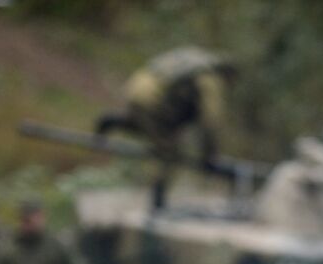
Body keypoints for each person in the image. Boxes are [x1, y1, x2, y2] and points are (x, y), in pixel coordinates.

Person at [94, 47, 234, 206]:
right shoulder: (210, 79)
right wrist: (210, 157)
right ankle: (157, 205)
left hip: (137, 87)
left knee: (147, 127)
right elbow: (210, 122)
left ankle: (116, 120)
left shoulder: (193, 64)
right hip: (154, 102)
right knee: (168, 151)